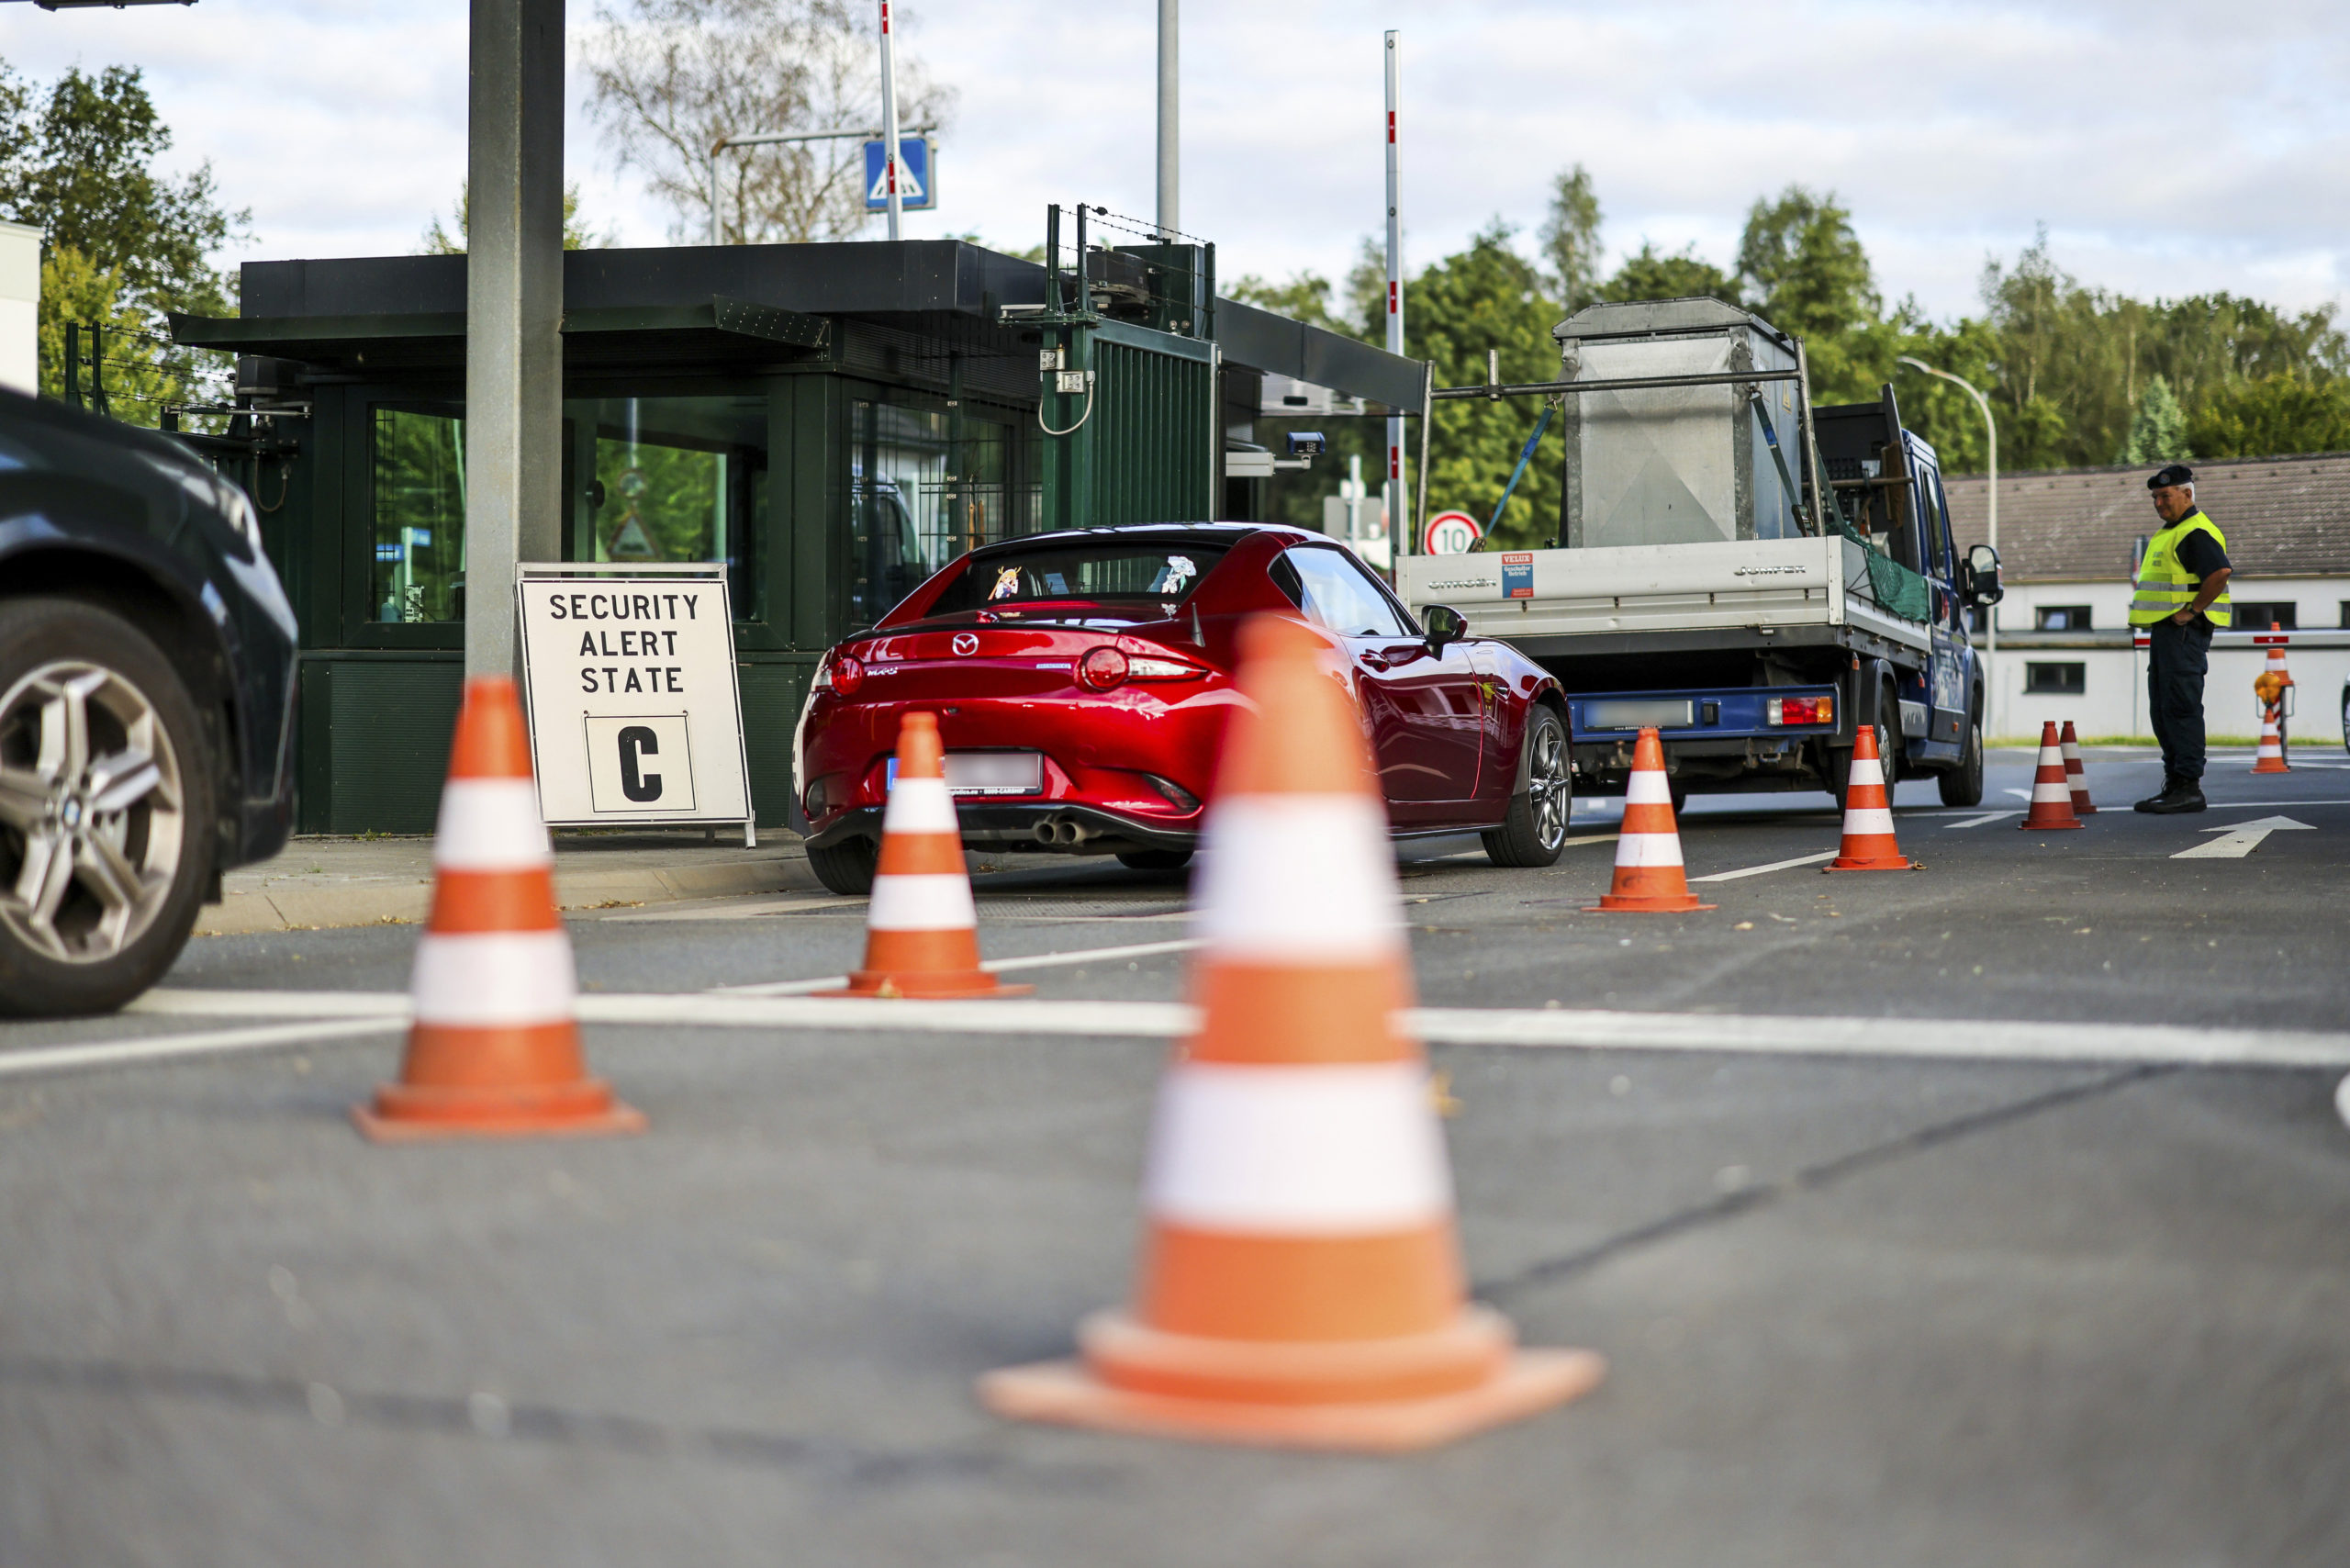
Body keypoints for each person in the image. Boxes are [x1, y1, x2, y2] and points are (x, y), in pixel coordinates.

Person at [2129, 464, 2232, 812]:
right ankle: (2176, 784)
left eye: (2165, 495)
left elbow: (2219, 573)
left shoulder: (2195, 531)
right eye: (2155, 497)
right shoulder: (2172, 531)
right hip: (2169, 632)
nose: (2159, 503)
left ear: (2187, 494)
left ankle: (2188, 787)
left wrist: (2193, 609)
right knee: (2163, 708)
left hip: (2184, 632)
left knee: (2180, 707)